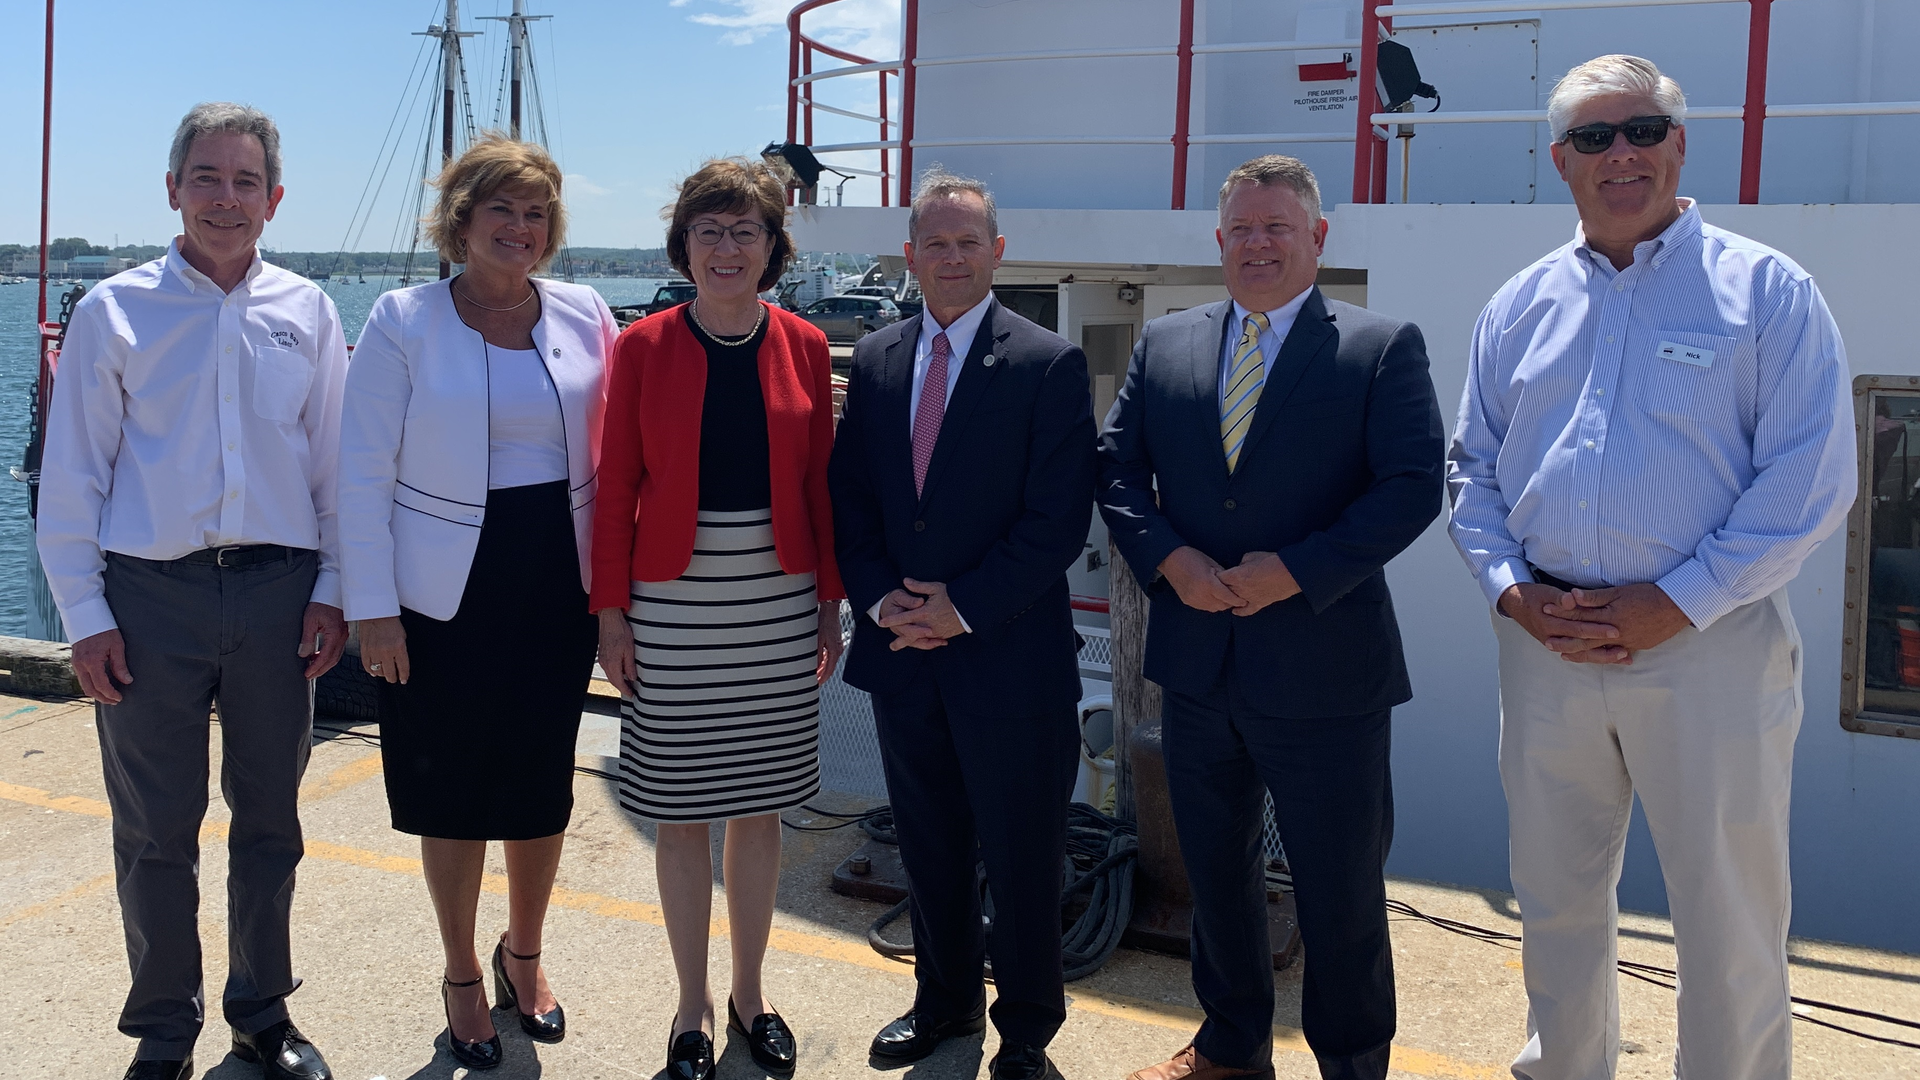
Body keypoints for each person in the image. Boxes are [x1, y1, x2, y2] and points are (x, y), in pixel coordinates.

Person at [1447, 55, 1854, 1080]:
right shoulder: (1518, 305)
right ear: (1560, 161)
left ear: (1679, 144)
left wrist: (1677, 603)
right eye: (1593, 137)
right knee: (1556, 900)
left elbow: (1810, 477)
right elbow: (1472, 470)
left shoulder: (1767, 291)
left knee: (1728, 912)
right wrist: (1510, 591)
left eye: (1641, 130)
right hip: (1546, 650)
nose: (1618, 153)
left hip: (1708, 648)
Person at [1100, 154, 1445, 1080]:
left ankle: (1352, 1064)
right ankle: (1231, 1049)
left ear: (1317, 237)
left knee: (1340, 896)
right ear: (1220, 241)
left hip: (1327, 673)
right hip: (1201, 665)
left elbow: (1412, 488)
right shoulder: (1166, 343)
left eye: (1277, 228)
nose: (1258, 244)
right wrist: (1170, 561)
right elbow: (1118, 472)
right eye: (1242, 230)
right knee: (1214, 876)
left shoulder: (1379, 346)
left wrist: (1292, 572)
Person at [35, 103, 346, 1080]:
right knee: (154, 832)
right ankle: (164, 1035)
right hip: (147, 599)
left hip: (277, 594)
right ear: (173, 189)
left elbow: (337, 470)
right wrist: (85, 616)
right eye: (205, 178)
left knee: (270, 824)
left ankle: (262, 1015)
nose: (225, 198)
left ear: (275, 199)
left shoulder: (308, 311)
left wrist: (333, 590)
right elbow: (74, 475)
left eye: (245, 181)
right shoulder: (114, 311)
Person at [339, 134, 616, 1070]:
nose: (520, 227)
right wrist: (370, 607)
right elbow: (361, 471)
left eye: (536, 212)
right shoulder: (402, 316)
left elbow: (618, 458)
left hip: (555, 577)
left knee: (541, 785)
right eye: (501, 208)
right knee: (450, 790)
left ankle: (523, 954)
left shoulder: (584, 311)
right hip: (436, 592)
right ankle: (462, 972)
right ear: (460, 220)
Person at [828, 169, 1096, 1080]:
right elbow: (852, 498)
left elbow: (1057, 519)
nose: (951, 257)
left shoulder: (1047, 363)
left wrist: (961, 607)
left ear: (997, 252)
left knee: (1023, 854)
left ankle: (1025, 1031)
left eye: (967, 242)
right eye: (934, 243)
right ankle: (942, 1005)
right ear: (910, 255)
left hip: (1008, 659)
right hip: (905, 652)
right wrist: (879, 599)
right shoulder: (874, 358)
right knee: (930, 844)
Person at [591, 157, 845, 1080]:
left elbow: (820, 483)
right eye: (710, 230)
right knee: (681, 809)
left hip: (777, 598)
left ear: (773, 246)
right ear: (684, 243)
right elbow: (616, 485)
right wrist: (611, 613)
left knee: (760, 801)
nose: (727, 247)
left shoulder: (807, 347)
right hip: (672, 601)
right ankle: (692, 1002)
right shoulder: (643, 346)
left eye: (746, 231)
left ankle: (751, 992)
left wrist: (828, 603)